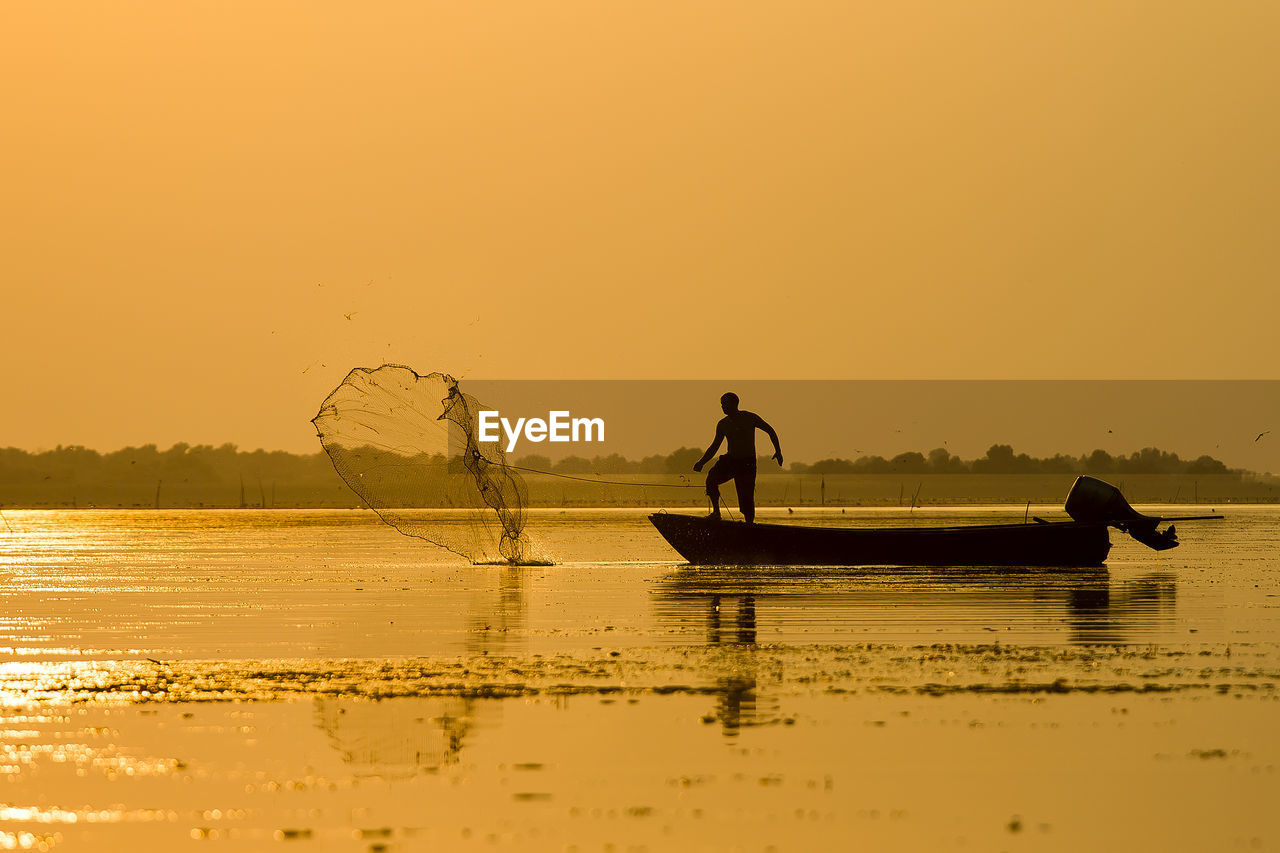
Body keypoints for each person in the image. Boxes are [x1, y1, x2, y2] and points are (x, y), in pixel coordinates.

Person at [693, 393, 783, 523]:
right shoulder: (723, 424)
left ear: (734, 404)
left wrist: (778, 451)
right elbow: (714, 446)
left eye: (725, 404)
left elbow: (770, 430)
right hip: (730, 460)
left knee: (746, 497)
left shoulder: (749, 417)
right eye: (722, 404)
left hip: (747, 463)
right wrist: (701, 462)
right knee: (711, 479)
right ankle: (716, 513)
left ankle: (749, 524)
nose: (723, 407)